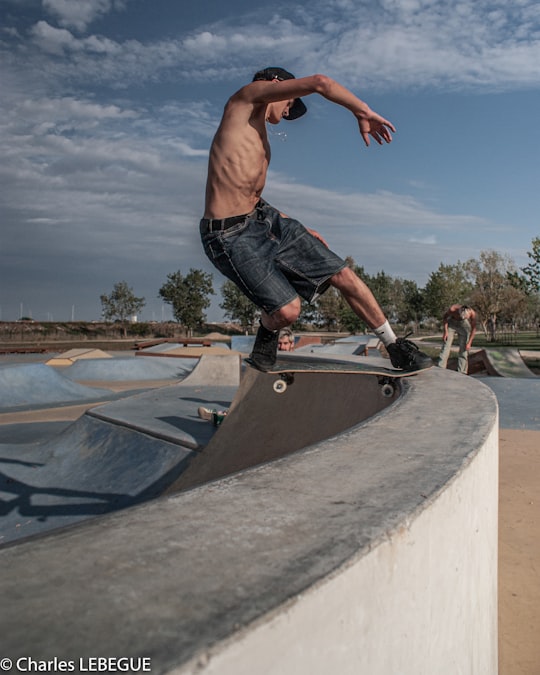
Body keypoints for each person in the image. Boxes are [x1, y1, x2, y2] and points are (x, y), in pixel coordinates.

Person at [199, 67, 432, 373]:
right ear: (276, 85)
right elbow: (321, 83)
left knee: (342, 274)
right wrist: (362, 111)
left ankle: (394, 346)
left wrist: (289, 224)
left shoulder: (259, 133)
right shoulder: (244, 100)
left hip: (263, 219)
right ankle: (266, 333)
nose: (290, 108)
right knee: (287, 311)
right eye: (290, 102)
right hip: (228, 235)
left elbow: (248, 193)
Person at [197, 328, 295, 423]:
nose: (282, 347)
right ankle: (222, 414)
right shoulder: (270, 360)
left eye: (285, 343)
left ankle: (223, 416)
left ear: (292, 344)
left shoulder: (298, 360)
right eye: (279, 343)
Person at [437, 304, 477, 374]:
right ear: (459, 312)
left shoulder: (472, 313)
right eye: (462, 317)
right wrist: (445, 332)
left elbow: (474, 329)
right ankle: (441, 368)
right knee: (446, 345)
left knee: (464, 348)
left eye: (466, 317)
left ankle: (462, 371)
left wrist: (469, 343)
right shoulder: (452, 309)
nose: (464, 318)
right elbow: (445, 318)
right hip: (452, 323)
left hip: (464, 325)